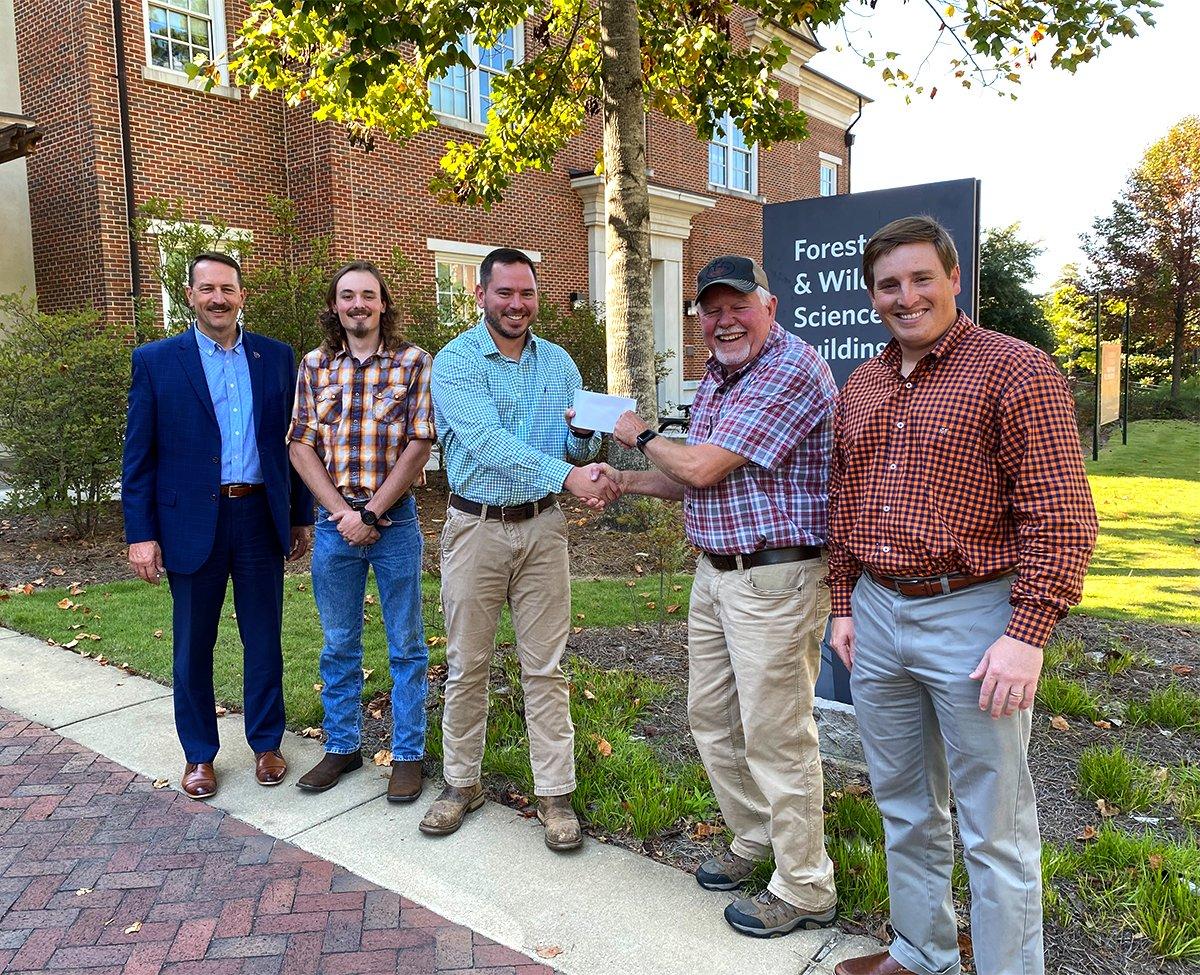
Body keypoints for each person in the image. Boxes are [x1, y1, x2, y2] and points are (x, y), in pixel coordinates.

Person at [828, 217, 1098, 975]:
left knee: (995, 826)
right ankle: (922, 954)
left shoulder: (1016, 371)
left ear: (954, 278)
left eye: (921, 279)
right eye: (889, 284)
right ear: (872, 295)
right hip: (879, 611)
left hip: (976, 615)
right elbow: (847, 497)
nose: (906, 296)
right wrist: (844, 602)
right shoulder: (867, 382)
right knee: (904, 804)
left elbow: (1062, 514)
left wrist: (1028, 632)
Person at [599, 255, 840, 937]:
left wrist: (639, 435)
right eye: (712, 309)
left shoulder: (791, 368)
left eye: (738, 305)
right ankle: (755, 836)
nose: (724, 320)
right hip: (717, 571)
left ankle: (805, 884)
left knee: (776, 733)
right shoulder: (721, 379)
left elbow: (700, 463)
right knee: (711, 718)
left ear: (769, 306)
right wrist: (627, 482)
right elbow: (693, 480)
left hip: (776, 578)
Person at [420, 247, 618, 850]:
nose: (516, 305)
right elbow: (485, 444)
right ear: (480, 295)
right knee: (467, 663)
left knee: (546, 666)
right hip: (476, 526)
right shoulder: (454, 363)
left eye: (526, 294)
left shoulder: (559, 364)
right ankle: (460, 784)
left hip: (542, 529)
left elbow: (574, 450)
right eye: (504, 293)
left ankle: (555, 795)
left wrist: (582, 438)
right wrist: (565, 474)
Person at [123, 252, 313, 800]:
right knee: (192, 644)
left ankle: (267, 743)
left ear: (242, 295)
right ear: (190, 296)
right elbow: (138, 458)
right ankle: (200, 754)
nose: (218, 298)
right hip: (190, 522)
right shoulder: (158, 360)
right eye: (207, 289)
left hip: (258, 515)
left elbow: (293, 443)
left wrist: (299, 515)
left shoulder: (276, 358)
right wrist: (141, 533)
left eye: (227, 288)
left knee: (263, 637)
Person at [287, 261, 434, 800]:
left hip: (395, 524)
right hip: (333, 526)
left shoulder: (413, 362)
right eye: (347, 296)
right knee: (339, 643)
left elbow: (420, 443)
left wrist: (370, 513)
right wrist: (343, 515)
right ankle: (342, 747)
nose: (358, 305)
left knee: (407, 644)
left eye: (368, 296)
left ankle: (408, 754)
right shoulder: (314, 365)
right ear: (334, 306)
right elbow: (300, 443)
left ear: (383, 304)